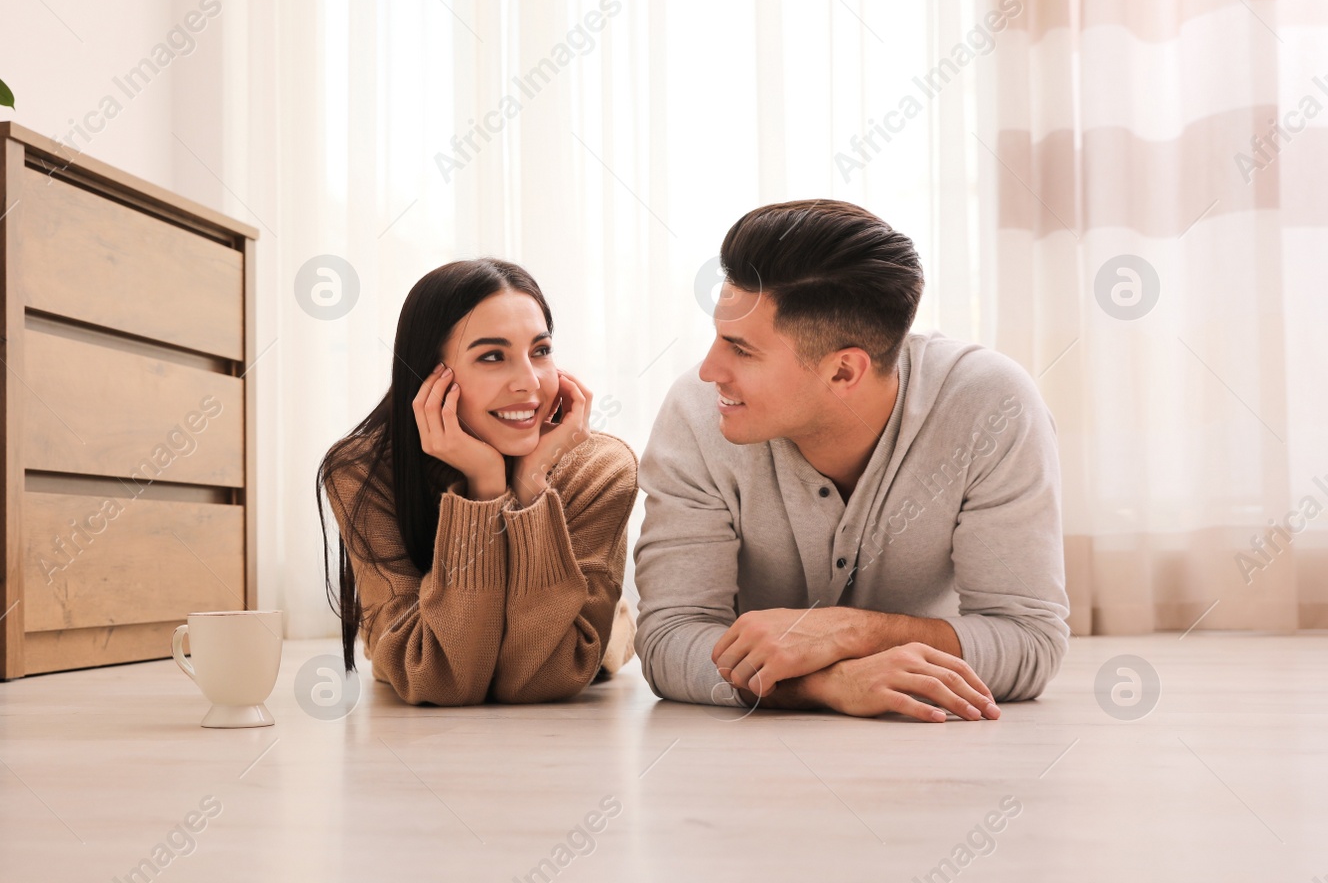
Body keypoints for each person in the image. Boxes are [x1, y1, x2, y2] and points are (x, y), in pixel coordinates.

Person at [635, 199, 1068, 722]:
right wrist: (825, 685)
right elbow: (668, 639)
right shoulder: (697, 416)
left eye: (741, 350)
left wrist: (852, 629)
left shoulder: (991, 406)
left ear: (844, 372)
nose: (709, 371)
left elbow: (1028, 640)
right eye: (718, 338)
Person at [317, 258, 638, 705]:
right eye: (492, 356)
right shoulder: (362, 473)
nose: (529, 383)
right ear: (431, 375)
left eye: (541, 351)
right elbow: (440, 678)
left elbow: (538, 678)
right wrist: (484, 487)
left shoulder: (600, 468)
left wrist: (529, 488)